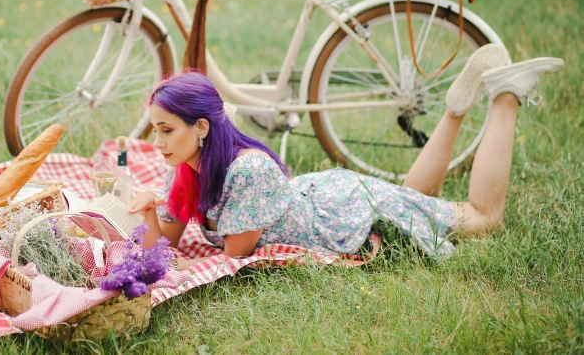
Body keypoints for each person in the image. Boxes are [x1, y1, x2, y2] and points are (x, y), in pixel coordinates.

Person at [127, 44, 563, 269]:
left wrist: (174, 264)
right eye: (154, 130)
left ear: (200, 128)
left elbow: (234, 255)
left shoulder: (249, 170)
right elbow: (163, 241)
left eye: (166, 130)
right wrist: (150, 215)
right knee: (412, 197)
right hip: (324, 195)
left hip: (342, 212)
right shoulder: (185, 166)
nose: (158, 141)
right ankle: (454, 110)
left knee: (483, 218)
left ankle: (508, 93)